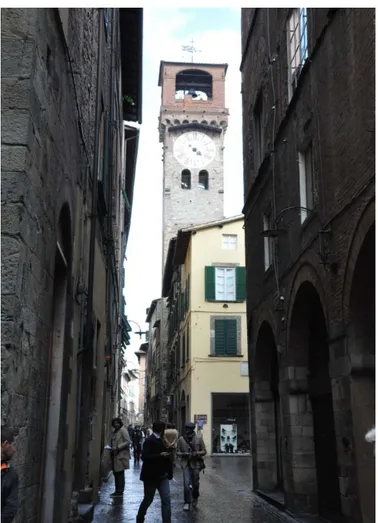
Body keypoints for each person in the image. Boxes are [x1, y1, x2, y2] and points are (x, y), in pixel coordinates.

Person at [136, 421, 172, 523]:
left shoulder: (161, 439)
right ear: (162, 430)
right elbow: (145, 457)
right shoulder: (149, 440)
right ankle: (140, 518)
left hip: (162, 475)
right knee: (148, 499)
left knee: (166, 499)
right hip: (151, 476)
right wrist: (161, 455)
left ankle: (167, 521)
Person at [177, 421, 207, 511]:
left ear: (192, 429)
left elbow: (204, 451)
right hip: (186, 464)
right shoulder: (181, 439)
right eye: (186, 429)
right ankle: (187, 502)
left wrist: (197, 453)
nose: (187, 430)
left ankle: (195, 498)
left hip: (196, 464)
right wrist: (183, 454)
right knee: (186, 484)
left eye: (189, 429)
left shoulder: (199, 438)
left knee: (195, 484)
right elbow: (177, 451)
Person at [108, 417, 130, 497]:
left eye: (117, 423)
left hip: (120, 455)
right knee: (116, 473)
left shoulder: (123, 430)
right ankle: (117, 490)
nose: (116, 425)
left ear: (120, 423)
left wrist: (118, 447)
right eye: (114, 423)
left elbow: (127, 441)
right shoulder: (115, 432)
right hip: (114, 454)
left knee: (120, 473)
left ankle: (120, 491)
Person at [1, 427, 19, 523]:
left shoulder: (11, 475)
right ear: (6, 444)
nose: (15, 450)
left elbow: (10, 508)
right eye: (13, 445)